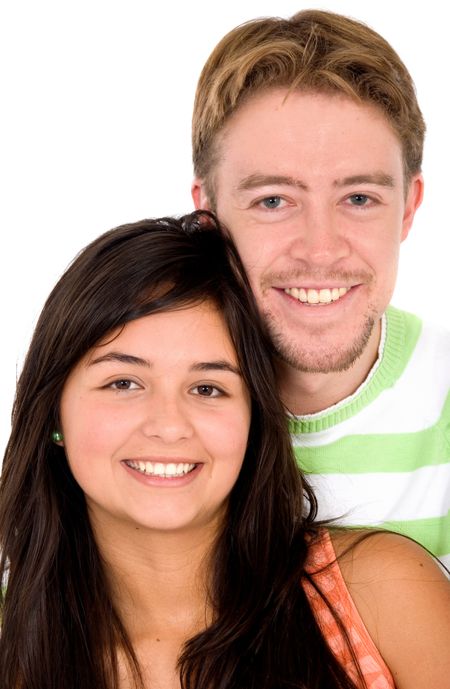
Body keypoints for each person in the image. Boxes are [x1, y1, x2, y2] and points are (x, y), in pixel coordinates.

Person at [1, 212, 448, 688]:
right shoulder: (14, 648)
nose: (169, 426)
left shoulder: (381, 594)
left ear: (254, 419)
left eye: (208, 388)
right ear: (54, 414)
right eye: (124, 382)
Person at [191, 9, 450, 566]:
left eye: (359, 198)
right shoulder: (140, 411)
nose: (320, 249)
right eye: (274, 201)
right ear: (207, 214)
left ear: (408, 208)